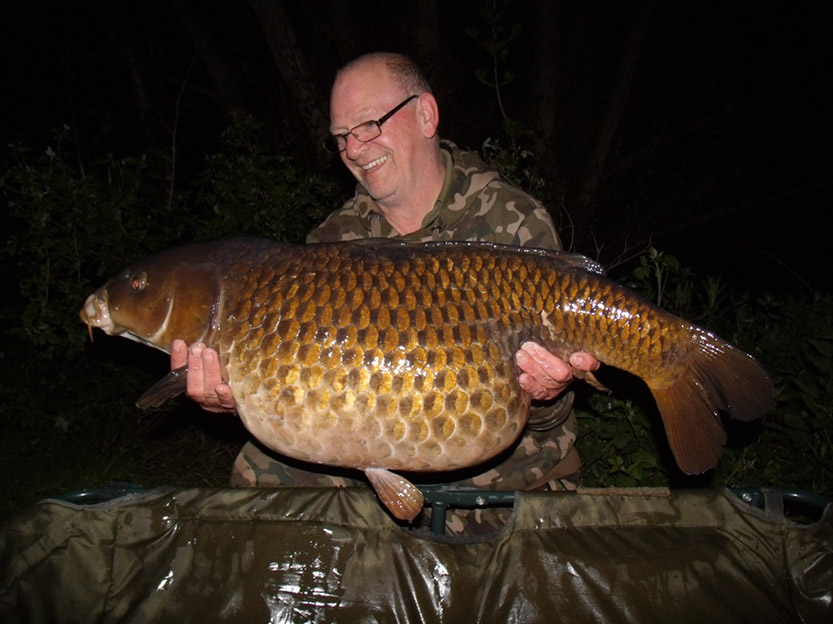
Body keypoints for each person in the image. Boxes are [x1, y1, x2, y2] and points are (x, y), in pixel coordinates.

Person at [172, 53, 599, 530]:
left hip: (504, 463)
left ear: (426, 115)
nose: (355, 148)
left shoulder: (512, 223)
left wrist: (551, 392)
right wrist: (239, 395)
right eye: (341, 138)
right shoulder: (330, 245)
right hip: (372, 456)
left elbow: (552, 416)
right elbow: (303, 391)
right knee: (259, 472)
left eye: (369, 125)